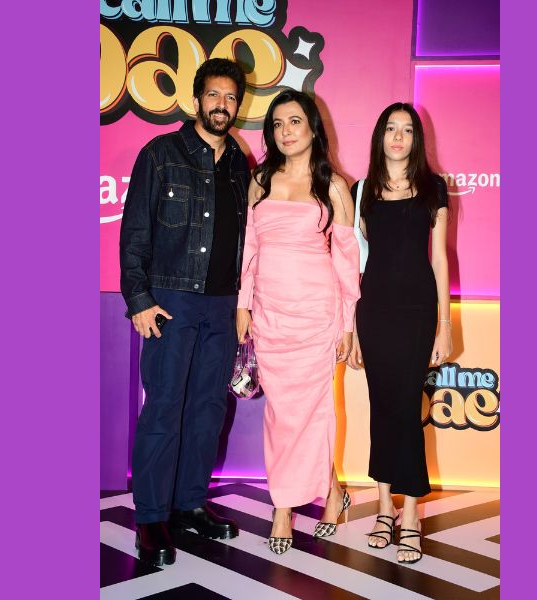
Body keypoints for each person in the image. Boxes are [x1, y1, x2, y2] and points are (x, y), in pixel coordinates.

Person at [119, 58, 251, 567]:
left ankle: (190, 503)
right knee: (164, 408)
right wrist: (138, 299)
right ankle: (151, 517)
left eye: (230, 97)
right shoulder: (161, 155)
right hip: (170, 302)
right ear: (197, 100)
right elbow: (135, 233)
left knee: (207, 410)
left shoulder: (240, 164)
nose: (222, 105)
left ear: (238, 106)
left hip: (223, 307)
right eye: (213, 95)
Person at [236, 90, 361, 555]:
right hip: (270, 315)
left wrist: (347, 324)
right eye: (277, 124)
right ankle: (314, 495)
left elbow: (347, 262)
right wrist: (243, 305)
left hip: (316, 315)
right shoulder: (260, 180)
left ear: (312, 128)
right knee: (281, 415)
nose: (285, 132)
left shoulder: (334, 186)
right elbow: (249, 250)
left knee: (316, 413)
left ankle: (294, 506)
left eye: (294, 122)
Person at [346, 102, 453, 564]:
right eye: (391, 128)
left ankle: (410, 513)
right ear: (380, 135)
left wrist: (445, 325)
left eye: (407, 130)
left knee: (407, 410)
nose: (398, 136)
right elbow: (353, 264)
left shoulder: (433, 188)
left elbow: (440, 259)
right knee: (382, 407)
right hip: (374, 312)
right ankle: (382, 507)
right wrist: (352, 327)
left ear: (416, 139)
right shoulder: (361, 191)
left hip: (417, 312)